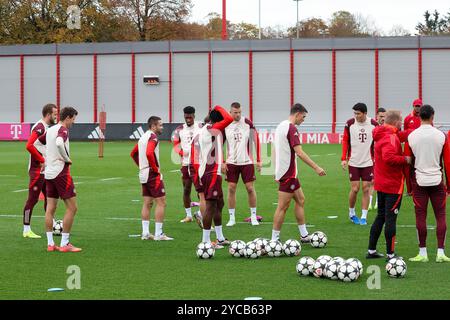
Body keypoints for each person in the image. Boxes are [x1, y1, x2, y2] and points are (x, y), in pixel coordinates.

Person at [271, 104, 326, 243]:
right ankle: (274, 240)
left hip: (287, 173)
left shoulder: (280, 125)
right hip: (288, 174)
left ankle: (304, 235)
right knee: (282, 207)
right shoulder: (291, 128)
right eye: (303, 117)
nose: (303, 120)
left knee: (301, 200)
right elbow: (299, 152)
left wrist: (275, 169)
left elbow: (274, 148)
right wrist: (316, 167)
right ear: (297, 114)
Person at [406, 105, 450, 263]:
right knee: (441, 216)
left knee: (420, 216)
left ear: (419, 116)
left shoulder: (411, 136)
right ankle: (440, 253)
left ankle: (422, 253)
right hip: (437, 181)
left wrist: (409, 187)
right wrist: (449, 185)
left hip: (419, 181)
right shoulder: (441, 135)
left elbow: (408, 163)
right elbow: (448, 162)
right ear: (433, 117)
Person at [367, 110, 411, 261]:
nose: (402, 125)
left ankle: (371, 250)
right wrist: (406, 159)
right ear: (397, 122)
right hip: (392, 185)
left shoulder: (383, 133)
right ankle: (391, 254)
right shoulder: (390, 137)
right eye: (401, 122)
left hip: (381, 183)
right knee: (390, 219)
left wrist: (420, 130)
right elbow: (389, 157)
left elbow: (402, 135)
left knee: (380, 217)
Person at [39, 106, 82, 252]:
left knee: (50, 209)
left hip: (49, 174)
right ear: (68, 117)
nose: (73, 122)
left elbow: (37, 143)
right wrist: (66, 158)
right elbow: (58, 143)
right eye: (73, 119)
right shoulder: (63, 130)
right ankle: (65, 243)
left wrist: (45, 159)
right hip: (61, 173)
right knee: (72, 208)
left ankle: (51, 244)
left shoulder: (50, 129)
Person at [191, 105, 233, 248]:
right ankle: (206, 241)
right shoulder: (211, 129)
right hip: (211, 172)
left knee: (219, 204)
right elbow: (229, 118)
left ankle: (220, 238)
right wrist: (217, 107)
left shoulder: (205, 131)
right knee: (211, 206)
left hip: (210, 172)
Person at [130, 116, 173, 241]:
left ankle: (145, 233)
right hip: (152, 174)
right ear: (153, 126)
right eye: (160, 125)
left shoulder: (143, 137)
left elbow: (133, 154)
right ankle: (159, 234)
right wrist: (154, 168)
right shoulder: (153, 137)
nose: (162, 127)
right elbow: (149, 153)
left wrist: (142, 166)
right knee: (161, 202)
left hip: (143, 173)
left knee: (147, 203)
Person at [223, 102, 262, 227]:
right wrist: (222, 162)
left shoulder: (247, 123)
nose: (238, 114)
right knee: (231, 189)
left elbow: (256, 140)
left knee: (250, 189)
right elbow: (219, 144)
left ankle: (253, 216)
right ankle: (232, 218)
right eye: (235, 112)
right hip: (231, 162)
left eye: (239, 112)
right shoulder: (225, 125)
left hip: (247, 162)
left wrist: (259, 159)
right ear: (230, 112)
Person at [22, 103, 58, 238]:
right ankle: (26, 230)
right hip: (37, 170)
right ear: (48, 114)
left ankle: (52, 224)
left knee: (49, 199)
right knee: (32, 199)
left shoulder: (46, 127)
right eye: (55, 114)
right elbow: (29, 145)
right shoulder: (39, 127)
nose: (56, 116)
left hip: (45, 170)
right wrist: (42, 160)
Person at [341, 103, 378, 225]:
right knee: (355, 189)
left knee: (366, 188)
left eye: (358, 113)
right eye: (355, 113)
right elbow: (345, 140)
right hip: (354, 162)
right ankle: (351, 213)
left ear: (365, 113)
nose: (356, 116)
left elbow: (378, 141)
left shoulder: (373, 124)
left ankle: (363, 217)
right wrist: (344, 158)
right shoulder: (350, 123)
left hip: (368, 162)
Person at [172, 106, 203, 224]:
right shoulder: (179, 129)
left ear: (194, 116)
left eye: (190, 117)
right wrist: (181, 152)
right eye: (186, 117)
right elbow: (175, 144)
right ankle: (188, 215)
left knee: (200, 190)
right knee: (186, 189)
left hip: (198, 163)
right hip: (185, 164)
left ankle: (201, 212)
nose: (188, 119)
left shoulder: (201, 126)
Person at [368, 107, 386, 211]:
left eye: (384, 116)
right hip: (373, 159)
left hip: (384, 159)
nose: (383, 118)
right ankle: (370, 203)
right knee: (372, 181)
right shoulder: (372, 128)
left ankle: (378, 203)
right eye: (381, 116)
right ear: (377, 117)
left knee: (382, 181)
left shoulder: (388, 128)